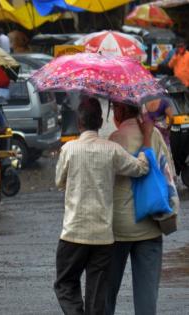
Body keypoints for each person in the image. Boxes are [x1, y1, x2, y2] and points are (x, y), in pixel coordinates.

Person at [54, 97, 152, 315]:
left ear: (79, 123)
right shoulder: (112, 150)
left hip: (73, 234)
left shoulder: (69, 149)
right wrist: (145, 141)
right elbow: (140, 168)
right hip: (102, 237)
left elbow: (59, 182)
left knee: (65, 283)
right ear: (100, 122)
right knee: (97, 295)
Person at [106, 102, 179, 315]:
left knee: (107, 293)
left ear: (118, 111)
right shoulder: (154, 135)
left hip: (117, 230)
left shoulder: (114, 139)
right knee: (147, 299)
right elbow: (169, 173)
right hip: (150, 225)